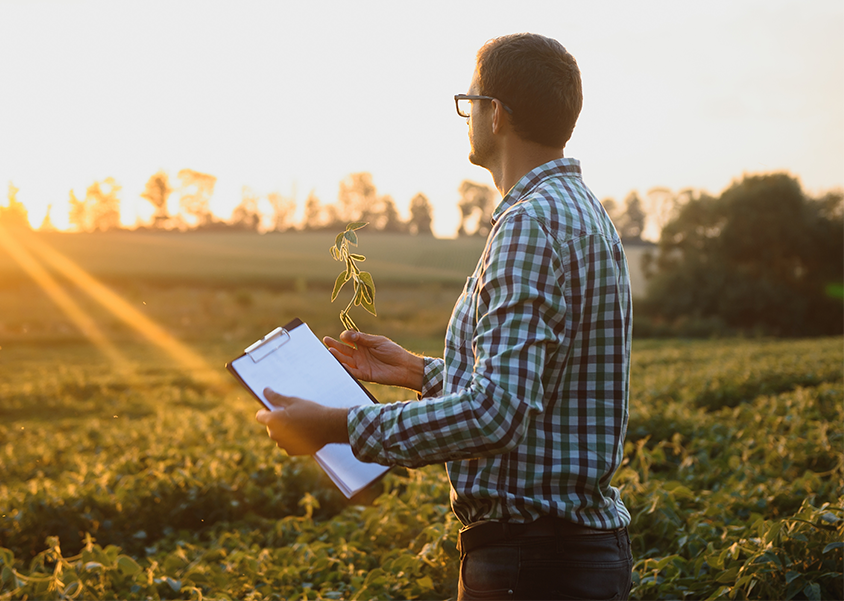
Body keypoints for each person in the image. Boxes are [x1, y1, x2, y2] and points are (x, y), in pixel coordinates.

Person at [256, 32, 634, 600]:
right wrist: (417, 373)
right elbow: (542, 390)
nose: (467, 117)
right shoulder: (584, 213)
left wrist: (336, 427)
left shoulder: (529, 224)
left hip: (532, 566)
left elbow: (495, 415)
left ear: (496, 114)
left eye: (470, 102)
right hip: (574, 554)